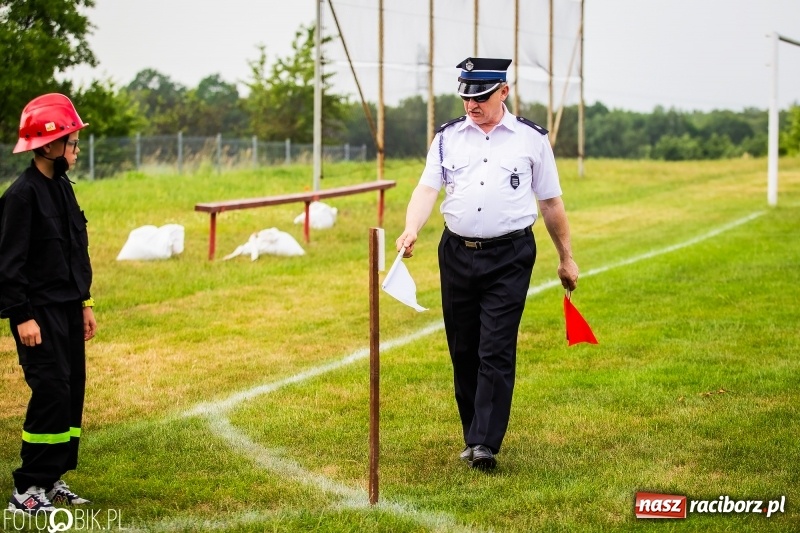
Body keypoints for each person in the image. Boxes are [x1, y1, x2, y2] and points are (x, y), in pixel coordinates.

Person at [395, 58, 579, 471]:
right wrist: (411, 229)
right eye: (465, 97)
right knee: (464, 348)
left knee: (495, 347)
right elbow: (427, 189)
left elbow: (550, 203)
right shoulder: (447, 138)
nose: (471, 105)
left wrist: (566, 258)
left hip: (510, 256)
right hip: (456, 252)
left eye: (480, 97)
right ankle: (473, 432)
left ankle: (484, 444)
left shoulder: (531, 139)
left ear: (503, 92)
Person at [1, 93, 96, 513]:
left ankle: (52, 477)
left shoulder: (61, 188)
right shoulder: (21, 196)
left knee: (71, 390)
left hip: (68, 308)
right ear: (48, 146)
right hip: (38, 314)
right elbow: (8, 263)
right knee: (51, 391)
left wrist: (86, 303)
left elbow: (75, 250)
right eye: (72, 141)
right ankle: (27, 488)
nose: (76, 148)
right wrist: (22, 316)